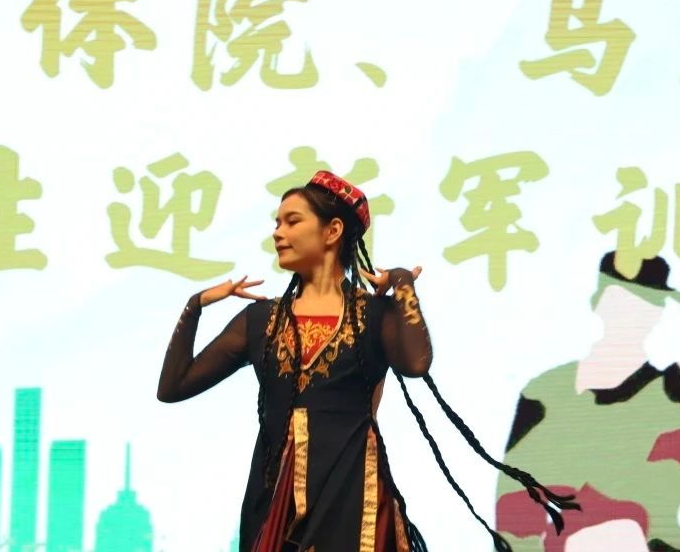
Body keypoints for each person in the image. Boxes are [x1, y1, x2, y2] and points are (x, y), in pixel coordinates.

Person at [157, 171, 573, 551]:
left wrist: (403, 284)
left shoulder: (374, 316)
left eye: (292, 221)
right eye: (277, 223)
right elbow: (173, 387)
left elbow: (416, 363)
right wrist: (194, 307)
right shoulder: (260, 320)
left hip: (352, 497)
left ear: (332, 231)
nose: (277, 233)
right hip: (274, 503)